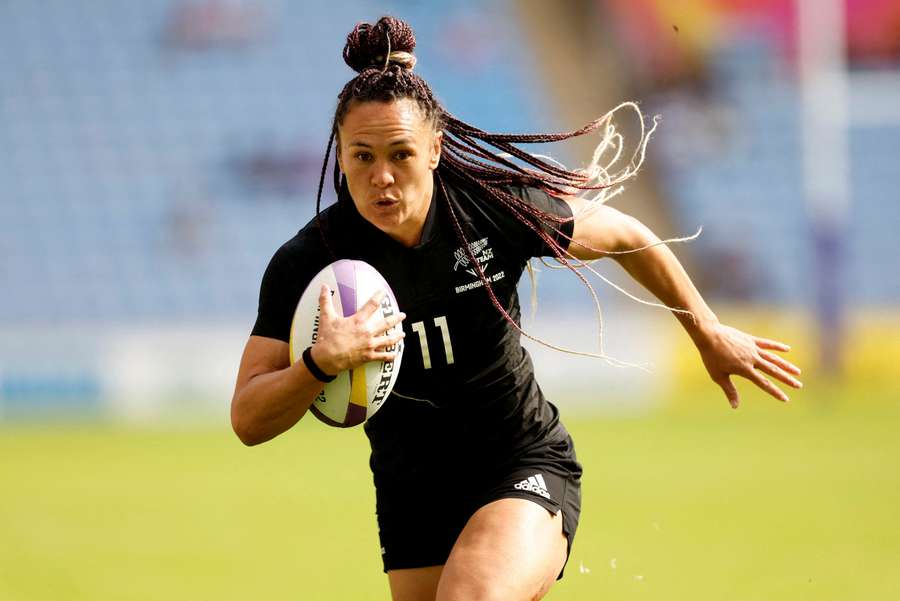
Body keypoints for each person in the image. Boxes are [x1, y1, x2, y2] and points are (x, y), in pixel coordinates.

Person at [230, 16, 802, 601]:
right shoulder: (309, 264)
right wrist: (320, 365)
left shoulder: (490, 210)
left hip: (519, 462)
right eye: (362, 156)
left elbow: (626, 234)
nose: (382, 178)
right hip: (412, 492)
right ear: (340, 156)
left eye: (400, 154)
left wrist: (705, 331)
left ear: (434, 149)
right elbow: (248, 420)